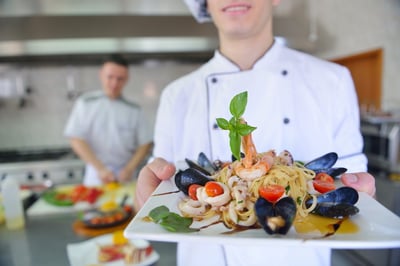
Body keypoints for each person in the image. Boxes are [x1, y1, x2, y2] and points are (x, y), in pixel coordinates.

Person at [134, 0, 376, 265]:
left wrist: (363, 190)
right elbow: (160, 194)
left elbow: (356, 190)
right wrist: (145, 199)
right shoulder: (176, 96)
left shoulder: (333, 81)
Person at [64, 54, 152, 186]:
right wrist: (100, 169)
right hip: (96, 174)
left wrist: (129, 168)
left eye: (120, 79)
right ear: (101, 74)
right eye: (110, 77)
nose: (114, 83)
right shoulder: (85, 103)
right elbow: (75, 138)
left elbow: (145, 143)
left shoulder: (135, 110)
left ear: (127, 79)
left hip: (126, 175)